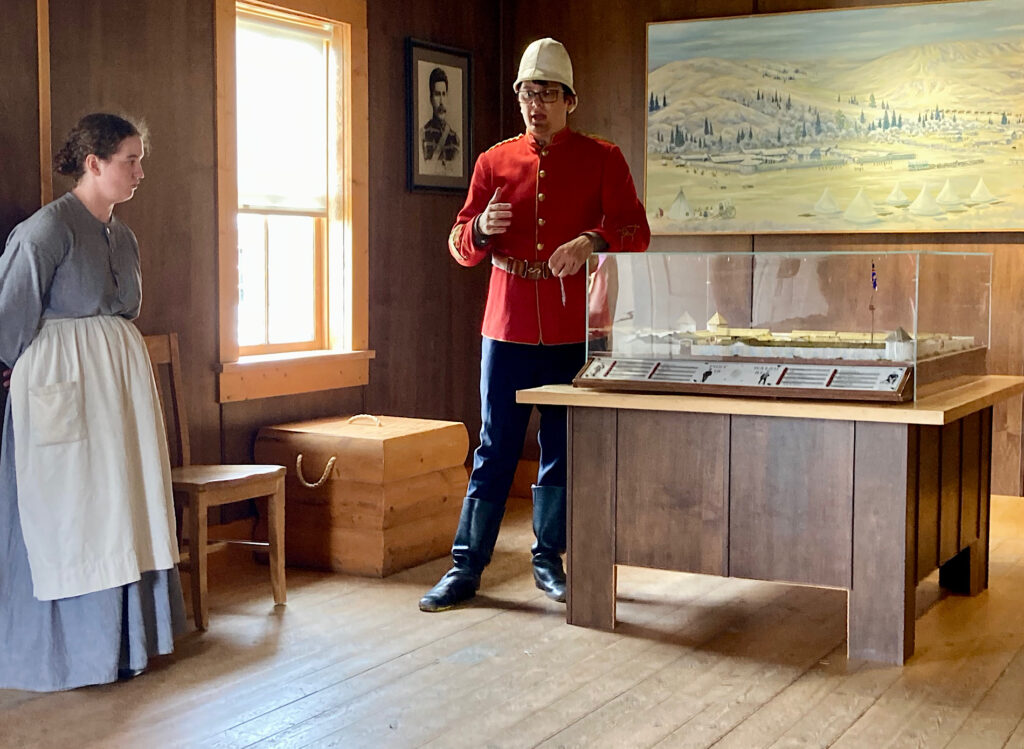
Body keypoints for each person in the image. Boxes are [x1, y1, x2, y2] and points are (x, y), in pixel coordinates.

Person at [420, 38, 650, 612]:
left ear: (569, 99)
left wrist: (591, 240)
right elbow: (458, 245)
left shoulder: (603, 157)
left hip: (575, 329)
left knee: (563, 447)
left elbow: (637, 232)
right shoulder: (492, 162)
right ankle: (466, 567)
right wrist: (480, 231)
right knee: (495, 446)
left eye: (546, 93)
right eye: (527, 93)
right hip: (506, 326)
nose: (535, 104)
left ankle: (550, 560)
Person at [0, 113, 187, 691]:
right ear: (93, 162)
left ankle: (125, 644)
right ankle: (64, 654)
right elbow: (10, 316)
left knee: (119, 503)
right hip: (63, 384)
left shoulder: (122, 235)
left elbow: (124, 308)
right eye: (130, 160)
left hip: (116, 391)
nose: (138, 172)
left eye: (140, 160)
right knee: (72, 513)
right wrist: (13, 368)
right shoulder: (45, 231)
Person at [421, 66, 460, 174]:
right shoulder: (423, 135)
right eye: (437, 94)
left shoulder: (455, 139)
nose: (441, 101)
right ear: (431, 99)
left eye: (444, 94)